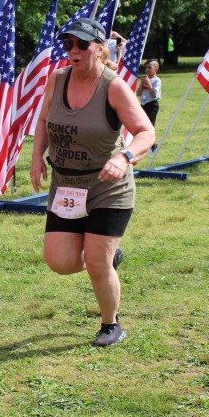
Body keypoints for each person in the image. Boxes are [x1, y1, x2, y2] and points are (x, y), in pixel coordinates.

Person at [29, 18, 155, 347]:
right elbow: (43, 119)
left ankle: (110, 325)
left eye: (82, 44)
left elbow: (146, 132)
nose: (74, 50)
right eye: (68, 44)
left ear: (100, 49)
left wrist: (124, 157)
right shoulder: (57, 79)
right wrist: (36, 158)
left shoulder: (113, 86)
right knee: (60, 261)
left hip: (107, 187)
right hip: (66, 186)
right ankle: (109, 256)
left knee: (97, 263)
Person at [137, 59, 161, 131]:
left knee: (150, 125)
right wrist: (142, 83)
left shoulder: (156, 80)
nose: (147, 69)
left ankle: (151, 138)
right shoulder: (145, 79)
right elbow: (138, 93)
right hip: (143, 104)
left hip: (151, 104)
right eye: (146, 68)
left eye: (150, 67)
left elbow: (154, 95)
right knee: (142, 124)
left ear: (156, 69)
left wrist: (148, 83)